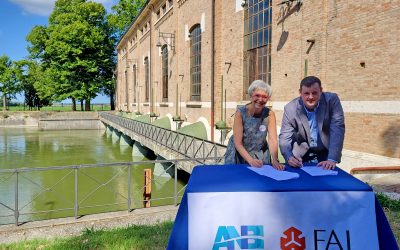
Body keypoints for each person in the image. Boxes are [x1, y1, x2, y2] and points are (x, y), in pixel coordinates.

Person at [279, 76, 345, 170]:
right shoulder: (290, 108)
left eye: (314, 93)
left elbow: (337, 128)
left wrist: (332, 159)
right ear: (300, 93)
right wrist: (289, 157)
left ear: (321, 90)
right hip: (300, 154)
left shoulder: (332, 100)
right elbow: (285, 136)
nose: (310, 97)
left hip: (325, 151)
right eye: (306, 93)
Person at [225, 80, 284, 170]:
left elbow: (272, 139)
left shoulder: (270, 114)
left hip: (259, 153)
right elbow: (238, 143)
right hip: (240, 154)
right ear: (251, 95)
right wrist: (251, 160)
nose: (260, 99)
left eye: (264, 97)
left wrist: (275, 160)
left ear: (268, 99)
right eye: (257, 95)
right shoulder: (240, 113)